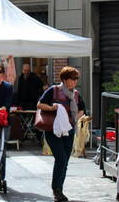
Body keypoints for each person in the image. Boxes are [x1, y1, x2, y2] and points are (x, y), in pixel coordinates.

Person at [37, 66, 86, 202]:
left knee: (65, 161)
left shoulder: (76, 94)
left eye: (77, 79)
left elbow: (82, 109)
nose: (75, 81)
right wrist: (53, 108)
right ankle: (57, 189)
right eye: (73, 78)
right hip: (53, 130)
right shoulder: (53, 90)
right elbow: (40, 105)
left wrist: (75, 116)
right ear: (64, 79)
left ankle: (59, 189)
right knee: (61, 159)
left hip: (69, 130)